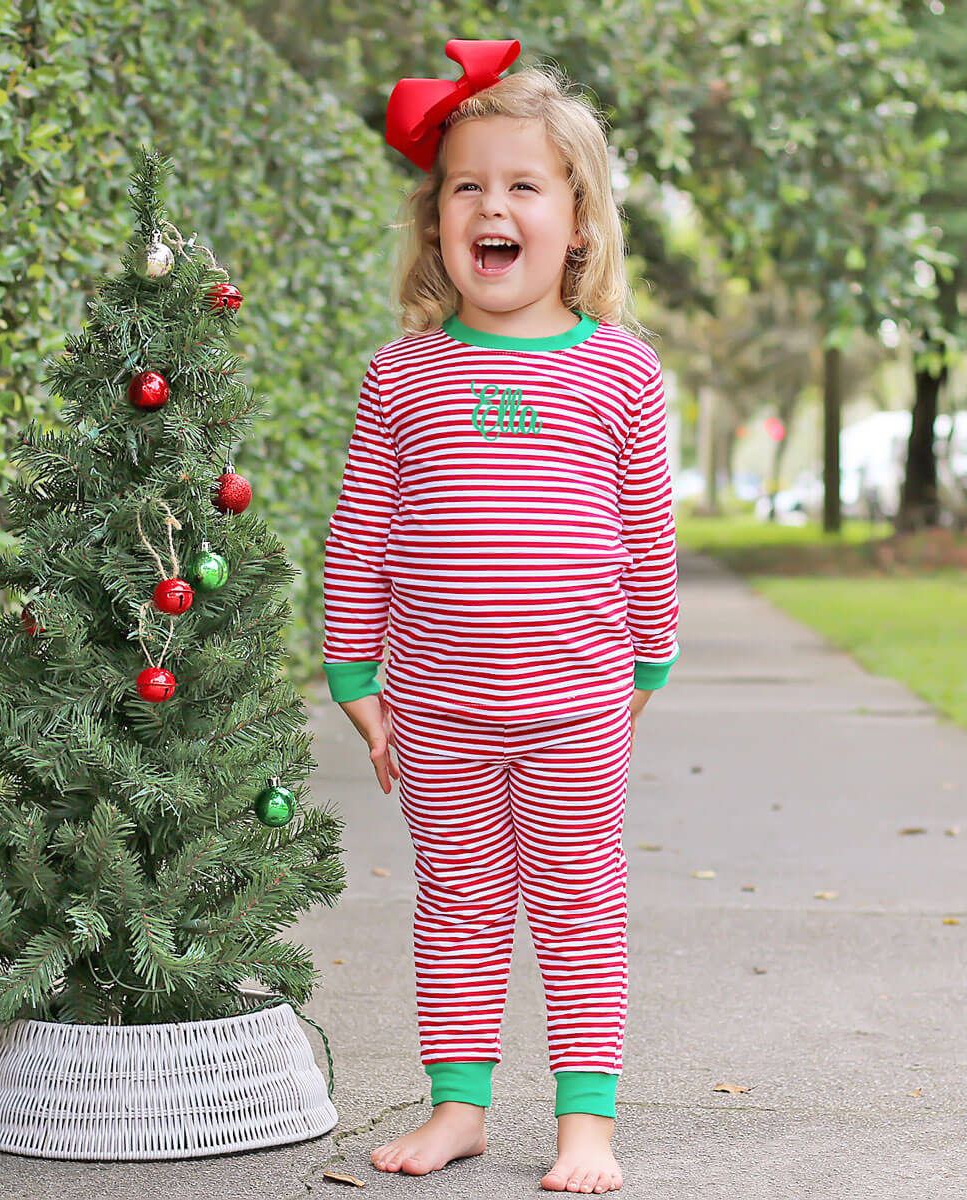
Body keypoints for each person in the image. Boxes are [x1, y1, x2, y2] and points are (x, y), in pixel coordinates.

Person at [321, 38, 679, 1195]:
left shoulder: (620, 369)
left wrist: (651, 658)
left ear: (577, 222)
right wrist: (352, 675)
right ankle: (460, 1106)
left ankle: (585, 1123)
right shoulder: (402, 374)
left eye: (525, 185)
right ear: (437, 225)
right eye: (468, 185)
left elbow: (644, 524)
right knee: (460, 907)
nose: (494, 206)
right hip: (438, 710)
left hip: (578, 699)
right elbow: (362, 529)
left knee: (578, 906)